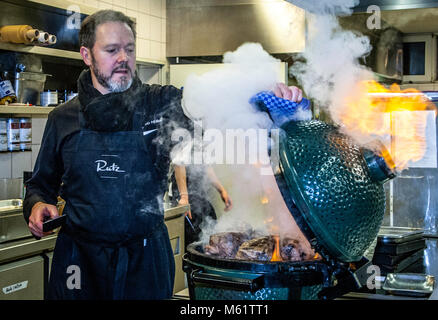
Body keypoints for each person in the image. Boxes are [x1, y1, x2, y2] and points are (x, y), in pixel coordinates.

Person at [23, 9, 303, 300]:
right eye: (111, 50)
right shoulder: (63, 118)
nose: (123, 58)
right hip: (78, 261)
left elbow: (216, 101)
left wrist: (268, 96)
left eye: (129, 49)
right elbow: (40, 185)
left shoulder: (159, 104)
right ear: (86, 55)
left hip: (144, 260)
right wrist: (36, 205)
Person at [171, 164, 232, 251]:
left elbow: (206, 166)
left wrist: (221, 190)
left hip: (201, 197)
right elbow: (179, 163)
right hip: (186, 198)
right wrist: (184, 196)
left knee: (211, 230)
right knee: (191, 242)